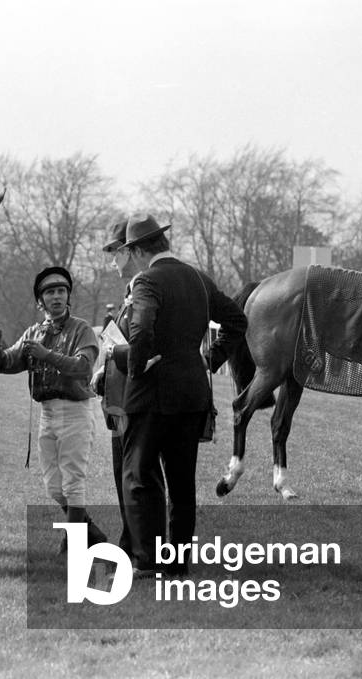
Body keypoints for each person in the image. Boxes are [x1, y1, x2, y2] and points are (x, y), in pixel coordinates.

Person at [115, 214, 247, 577]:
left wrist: (131, 361)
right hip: (192, 393)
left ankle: (146, 559)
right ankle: (176, 564)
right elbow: (237, 320)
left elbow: (140, 330)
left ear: (140, 250)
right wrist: (209, 357)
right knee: (181, 483)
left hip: (150, 393)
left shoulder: (146, 281)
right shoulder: (197, 278)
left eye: (130, 251)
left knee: (138, 474)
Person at [1, 266, 108, 553]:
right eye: (50, 293)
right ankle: (91, 532)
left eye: (61, 291)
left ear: (68, 296)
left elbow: (84, 367)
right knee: (53, 485)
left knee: (73, 480)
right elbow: (8, 361)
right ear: (41, 301)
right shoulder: (33, 332)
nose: (57, 297)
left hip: (76, 410)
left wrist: (46, 354)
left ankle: (72, 545)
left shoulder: (82, 328)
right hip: (47, 413)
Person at [91, 220, 136, 558]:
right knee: (124, 475)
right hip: (118, 396)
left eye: (114, 254)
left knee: (132, 476)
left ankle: (138, 543)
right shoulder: (129, 293)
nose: (113, 262)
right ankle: (130, 537)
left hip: (133, 400)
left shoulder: (143, 290)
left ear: (127, 251)